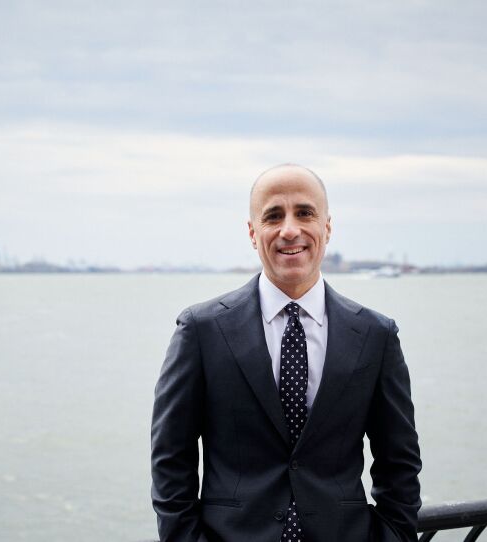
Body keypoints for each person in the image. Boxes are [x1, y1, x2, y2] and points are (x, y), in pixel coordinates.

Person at [151, 164, 421, 542]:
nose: (289, 229)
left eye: (305, 213)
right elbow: (170, 460)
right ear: (252, 232)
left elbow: (400, 465)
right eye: (273, 216)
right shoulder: (201, 330)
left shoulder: (376, 335)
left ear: (327, 226)